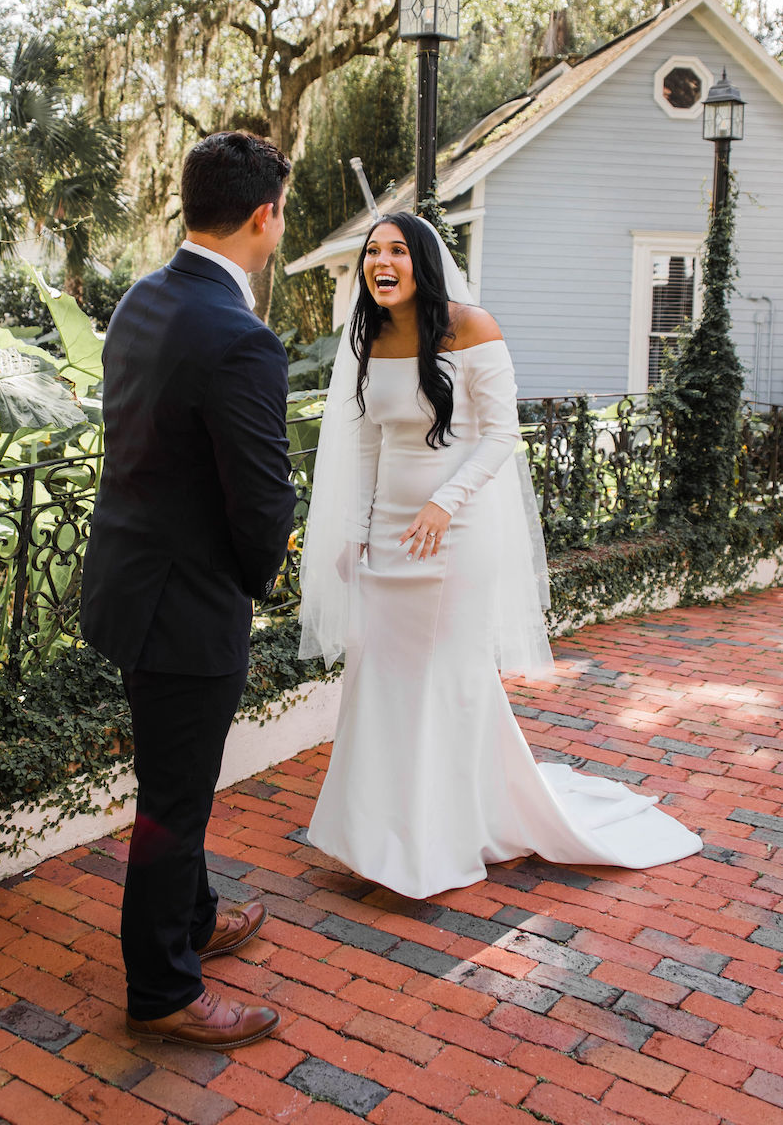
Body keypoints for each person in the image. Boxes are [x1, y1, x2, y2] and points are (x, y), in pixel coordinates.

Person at [299, 211, 702, 900]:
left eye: (396, 249)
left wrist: (443, 502)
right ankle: (376, 835)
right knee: (383, 678)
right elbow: (367, 446)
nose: (380, 261)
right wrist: (356, 533)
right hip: (389, 535)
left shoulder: (472, 327)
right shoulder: (371, 339)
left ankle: (441, 838)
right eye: (372, 252)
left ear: (422, 261)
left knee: (446, 678)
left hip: (456, 534)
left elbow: (500, 434)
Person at [80, 131, 298, 1048]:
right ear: (263, 216)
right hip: (186, 600)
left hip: (129, 577)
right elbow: (261, 496)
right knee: (175, 799)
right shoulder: (240, 337)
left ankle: (198, 916)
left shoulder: (143, 295)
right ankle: (163, 988)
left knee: (178, 780)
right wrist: (259, 576)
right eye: (283, 212)